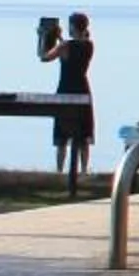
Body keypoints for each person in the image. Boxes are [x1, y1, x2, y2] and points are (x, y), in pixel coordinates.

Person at [40, 11, 94, 194]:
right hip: (82, 89)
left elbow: (45, 56)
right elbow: (72, 48)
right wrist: (60, 38)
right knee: (83, 132)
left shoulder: (65, 46)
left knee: (62, 133)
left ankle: (59, 170)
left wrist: (44, 36)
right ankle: (84, 170)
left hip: (65, 89)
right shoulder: (88, 45)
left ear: (73, 26)